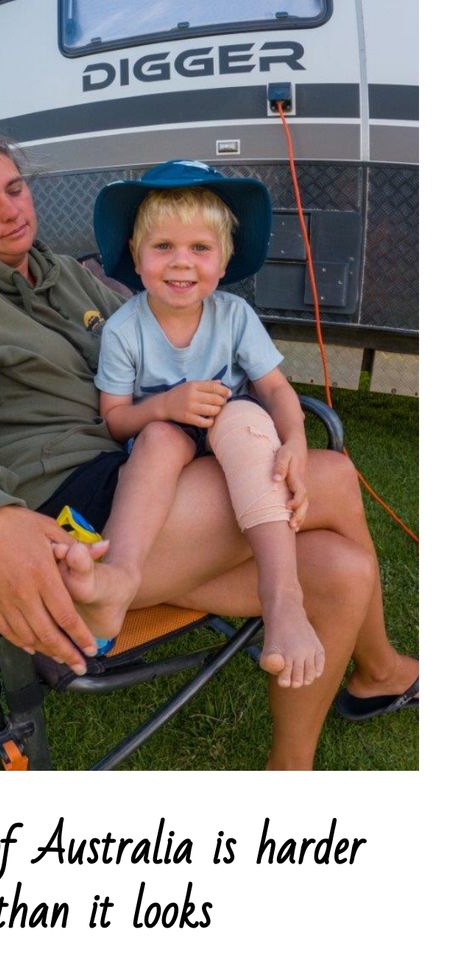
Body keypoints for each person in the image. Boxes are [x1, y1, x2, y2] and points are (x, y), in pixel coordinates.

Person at [0, 130, 418, 770]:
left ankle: (291, 769)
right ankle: (379, 665)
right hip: (73, 517)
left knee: (339, 571)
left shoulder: (63, 277)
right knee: (330, 478)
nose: (10, 211)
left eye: (15, 189)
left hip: (142, 481)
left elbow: (159, 329)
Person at [53, 161, 322, 689]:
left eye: (200, 249)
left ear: (224, 262)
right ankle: (117, 583)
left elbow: (274, 390)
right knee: (155, 437)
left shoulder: (234, 315)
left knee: (245, 415)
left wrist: (296, 442)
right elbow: (114, 420)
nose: (182, 263)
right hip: (168, 447)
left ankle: (282, 596)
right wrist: (163, 406)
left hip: (235, 441)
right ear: (136, 256)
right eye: (163, 247)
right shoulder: (125, 329)